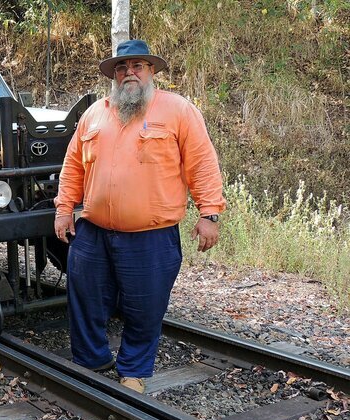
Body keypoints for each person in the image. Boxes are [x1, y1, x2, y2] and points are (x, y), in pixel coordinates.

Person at [53, 40, 226, 394]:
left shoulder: (178, 111)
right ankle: (91, 360)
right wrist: (63, 209)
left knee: (144, 306)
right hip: (93, 230)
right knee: (83, 296)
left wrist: (209, 213)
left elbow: (202, 163)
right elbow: (72, 167)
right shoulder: (95, 114)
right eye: (122, 67)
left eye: (137, 66)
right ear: (114, 75)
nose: (129, 73)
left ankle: (133, 370)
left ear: (151, 71)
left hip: (151, 235)